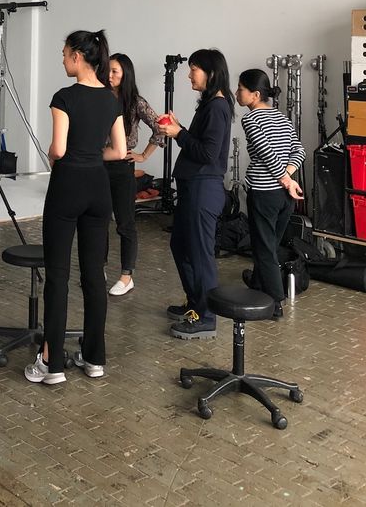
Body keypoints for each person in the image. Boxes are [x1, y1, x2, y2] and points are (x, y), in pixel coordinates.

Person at [25, 30, 126, 386]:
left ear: (78, 57)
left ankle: (51, 364)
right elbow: (119, 150)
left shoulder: (64, 97)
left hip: (67, 185)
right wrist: (91, 156)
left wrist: (57, 157)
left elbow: (59, 149)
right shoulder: (111, 100)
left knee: (58, 275)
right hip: (98, 187)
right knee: (94, 276)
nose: (62, 58)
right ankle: (94, 358)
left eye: (64, 52)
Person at [157, 48, 234, 340]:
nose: (190, 74)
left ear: (211, 73)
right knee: (181, 246)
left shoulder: (217, 106)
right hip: (194, 186)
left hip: (204, 189)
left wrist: (178, 133)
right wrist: (180, 130)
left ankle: (207, 315)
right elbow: (201, 143)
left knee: (200, 254)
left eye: (194, 69)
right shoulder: (210, 105)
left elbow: (207, 153)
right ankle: (196, 304)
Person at [236, 69, 305, 318]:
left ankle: (275, 302)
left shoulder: (251, 119)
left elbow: (266, 154)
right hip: (285, 197)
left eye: (240, 89)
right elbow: (299, 151)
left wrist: (285, 180)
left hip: (265, 193)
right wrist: (288, 177)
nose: (236, 93)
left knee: (264, 247)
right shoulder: (282, 118)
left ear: (255, 95)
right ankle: (257, 281)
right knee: (270, 243)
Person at [106, 53, 164, 297]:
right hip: (98, 165)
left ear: (125, 74)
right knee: (96, 222)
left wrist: (143, 155)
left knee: (125, 223)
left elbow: (160, 126)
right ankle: (98, 270)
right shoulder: (99, 96)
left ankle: (126, 276)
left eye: (115, 72)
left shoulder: (135, 102)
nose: (109, 76)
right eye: (107, 70)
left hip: (122, 167)